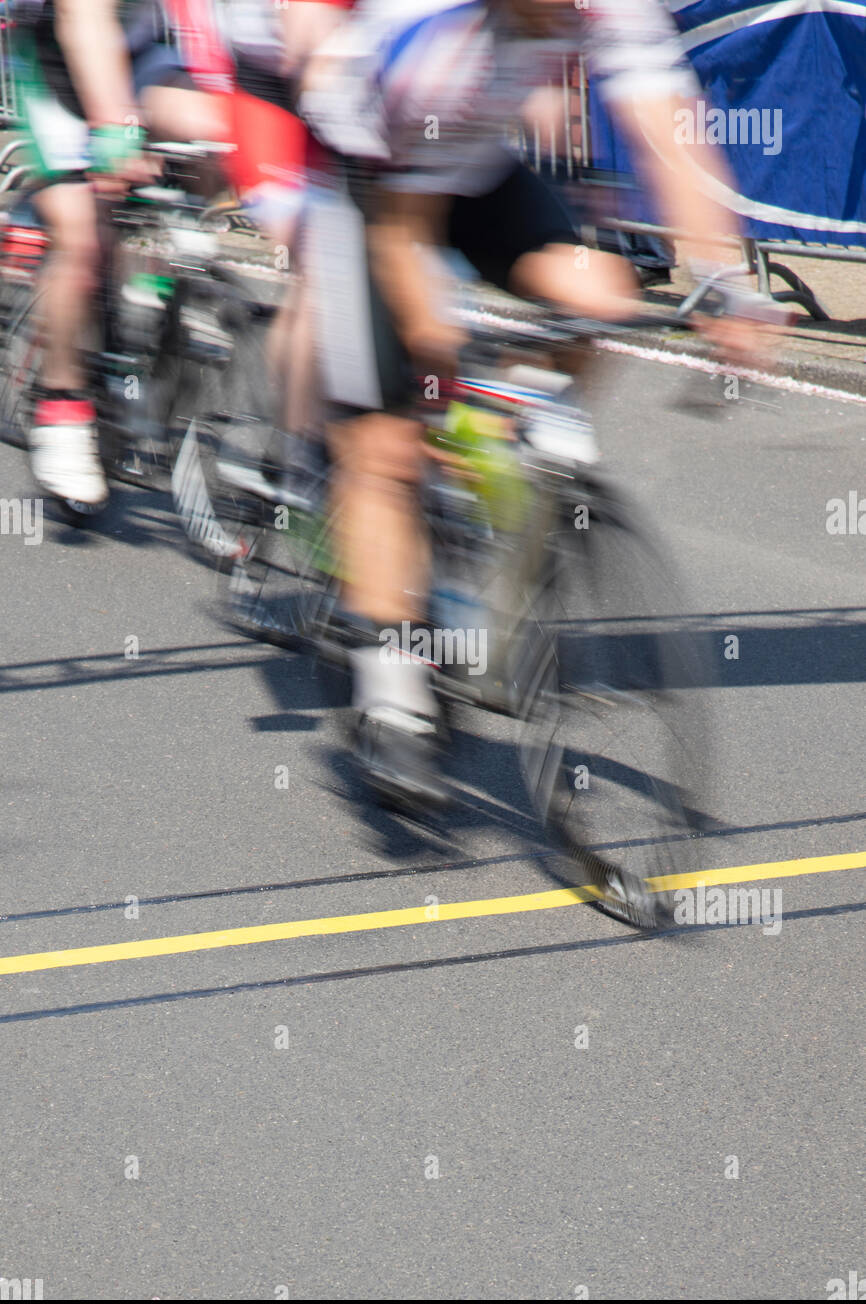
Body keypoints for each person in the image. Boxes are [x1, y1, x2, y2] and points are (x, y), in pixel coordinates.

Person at [299, 0, 778, 808]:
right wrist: (429, 348)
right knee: (388, 438)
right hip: (368, 187)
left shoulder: (601, 7)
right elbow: (400, 232)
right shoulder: (434, 33)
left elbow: (673, 136)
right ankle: (391, 683)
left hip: (476, 168)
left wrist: (726, 283)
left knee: (603, 294)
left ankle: (506, 480)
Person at [12, 0, 227, 509]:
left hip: (136, 54)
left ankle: (158, 289)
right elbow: (83, 18)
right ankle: (61, 406)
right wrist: (115, 131)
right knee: (82, 237)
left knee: (222, 134)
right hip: (56, 60)